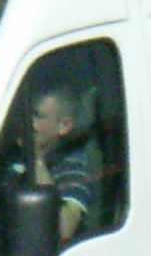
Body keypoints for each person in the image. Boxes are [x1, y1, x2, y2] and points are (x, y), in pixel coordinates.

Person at [24, 85, 97, 242]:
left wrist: (35, 160)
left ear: (63, 126)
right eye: (26, 113)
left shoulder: (72, 165)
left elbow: (64, 227)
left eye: (37, 116)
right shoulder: (8, 155)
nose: (28, 122)